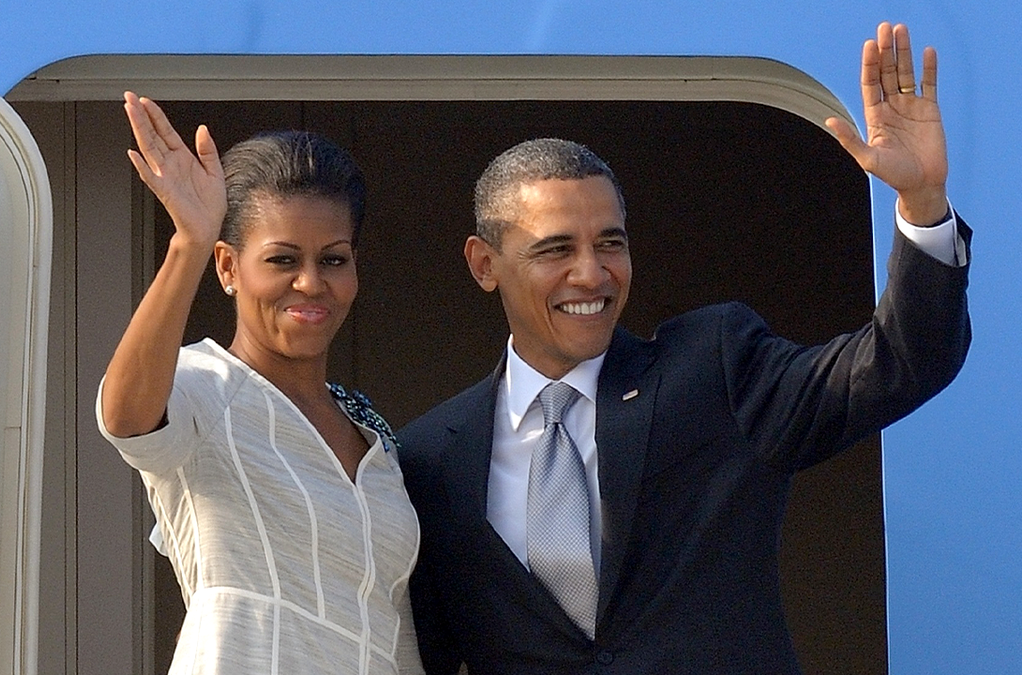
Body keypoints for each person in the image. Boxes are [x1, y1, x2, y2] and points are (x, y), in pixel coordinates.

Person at [398, 22, 970, 675]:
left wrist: (923, 203)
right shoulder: (431, 459)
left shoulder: (713, 369)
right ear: (484, 263)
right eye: (556, 249)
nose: (591, 273)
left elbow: (901, 362)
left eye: (610, 243)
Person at [96, 93, 423, 675]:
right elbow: (125, 419)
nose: (310, 282)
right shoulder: (202, 386)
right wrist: (189, 243)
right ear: (229, 267)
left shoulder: (371, 435)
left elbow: (391, 627)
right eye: (282, 260)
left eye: (333, 259)